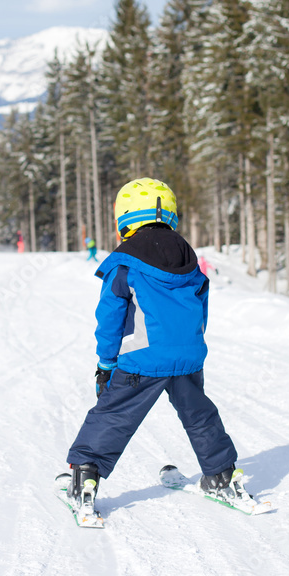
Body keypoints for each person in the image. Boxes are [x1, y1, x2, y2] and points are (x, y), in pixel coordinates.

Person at [65, 177, 240, 507]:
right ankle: (221, 475)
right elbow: (200, 303)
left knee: (115, 415)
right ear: (170, 214)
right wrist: (190, 343)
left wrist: (106, 362)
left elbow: (111, 317)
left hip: (144, 358)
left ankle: (86, 475)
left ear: (125, 218)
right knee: (200, 415)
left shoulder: (123, 261)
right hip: (188, 356)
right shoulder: (188, 257)